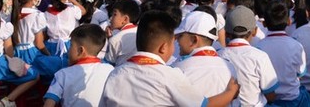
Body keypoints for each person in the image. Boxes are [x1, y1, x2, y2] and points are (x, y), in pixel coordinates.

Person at [100, 10, 239, 107]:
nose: (176, 45)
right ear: (163, 47)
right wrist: (231, 92)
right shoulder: (170, 75)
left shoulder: (114, 74)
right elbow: (203, 105)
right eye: (174, 40)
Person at [257, 1, 310, 107]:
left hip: (268, 101)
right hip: (293, 99)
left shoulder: (258, 48)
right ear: (289, 21)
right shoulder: (296, 45)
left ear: (264, 23)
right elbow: (300, 74)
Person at [43, 24, 114, 107]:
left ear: (80, 50)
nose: (68, 50)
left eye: (71, 45)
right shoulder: (110, 70)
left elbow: (49, 102)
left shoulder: (63, 74)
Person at [221, 5, 279, 106]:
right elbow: (270, 95)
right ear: (254, 31)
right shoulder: (260, 56)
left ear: (226, 33)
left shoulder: (218, 56)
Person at [173, 9, 237, 99]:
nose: (177, 40)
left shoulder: (177, 70)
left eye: (180, 36)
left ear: (194, 40)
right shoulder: (230, 67)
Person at [34, 0, 86, 79]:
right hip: (69, 45)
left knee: (53, 74)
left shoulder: (45, 13)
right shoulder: (71, 9)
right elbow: (83, 11)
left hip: (51, 46)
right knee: (69, 73)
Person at [11, 0, 48, 65]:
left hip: (16, 54)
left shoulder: (13, 13)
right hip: (31, 55)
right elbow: (39, 43)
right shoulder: (37, 15)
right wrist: (48, 55)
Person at [105, 0, 140, 66]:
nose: (110, 18)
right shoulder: (141, 31)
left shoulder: (115, 40)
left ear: (125, 19)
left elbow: (108, 64)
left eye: (114, 14)